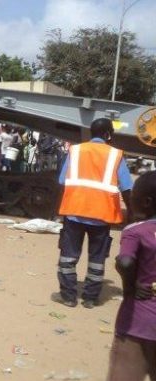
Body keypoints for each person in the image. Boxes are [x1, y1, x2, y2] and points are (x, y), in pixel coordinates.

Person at [55, 118, 133, 309]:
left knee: (68, 257)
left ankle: (68, 297)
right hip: (102, 215)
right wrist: (132, 213)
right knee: (97, 260)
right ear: (108, 134)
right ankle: (90, 298)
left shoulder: (76, 150)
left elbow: (61, 181)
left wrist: (57, 210)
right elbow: (127, 188)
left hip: (74, 212)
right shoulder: (116, 155)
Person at [107, 171, 156, 380]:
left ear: (146, 202)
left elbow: (125, 261)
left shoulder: (136, 231)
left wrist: (130, 287)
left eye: (133, 196)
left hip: (138, 322)